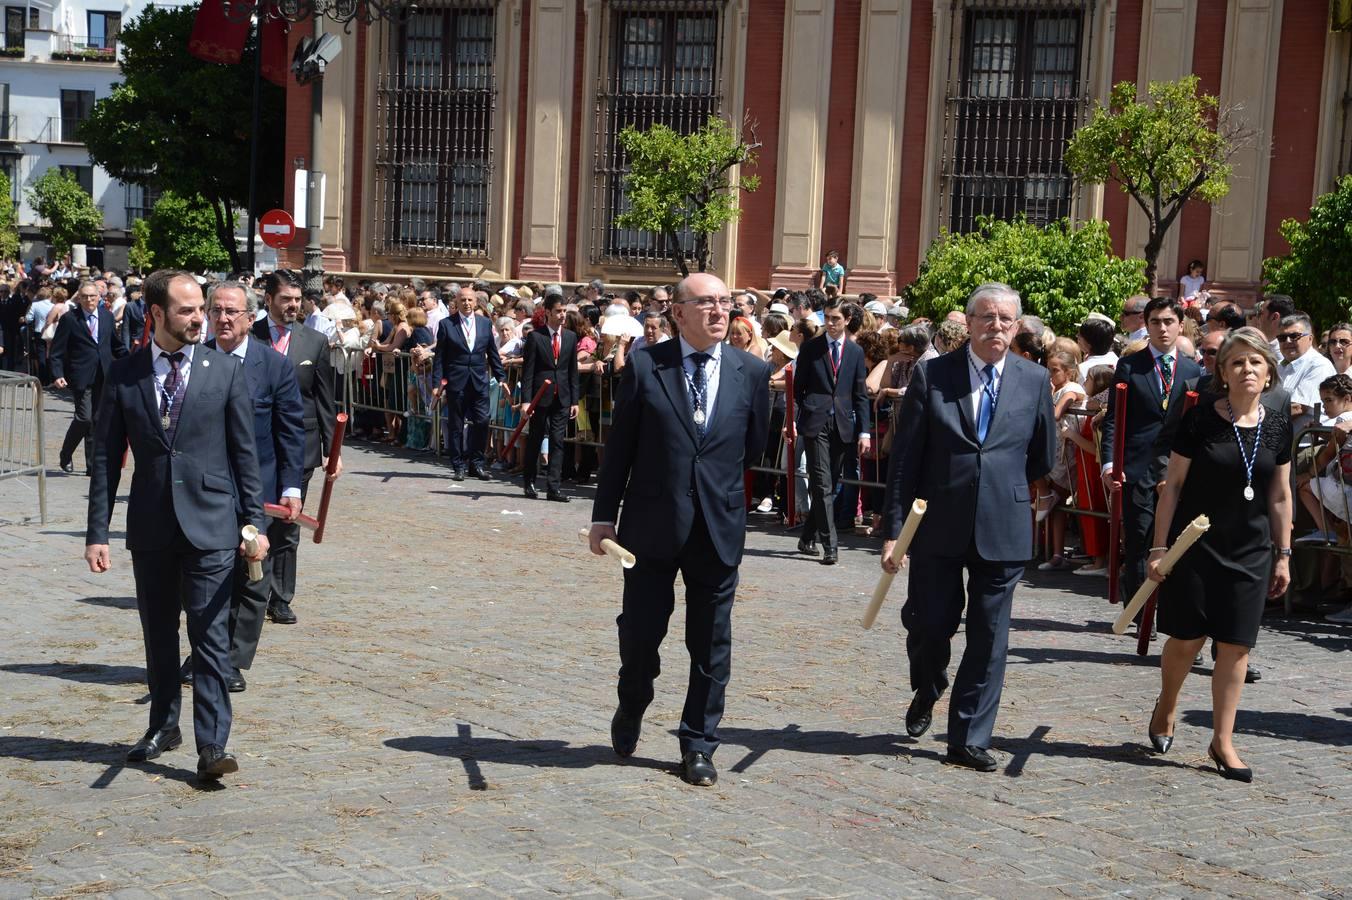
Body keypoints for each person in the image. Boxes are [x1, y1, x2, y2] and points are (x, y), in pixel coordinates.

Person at [84, 269, 269, 780]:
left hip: (212, 524)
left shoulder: (223, 370)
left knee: (209, 638)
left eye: (202, 308)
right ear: (157, 315)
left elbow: (244, 455)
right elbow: (105, 458)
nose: (201, 318)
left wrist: (255, 523)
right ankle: (163, 725)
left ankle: (213, 746)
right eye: (187, 310)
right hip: (150, 526)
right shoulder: (124, 374)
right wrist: (97, 532)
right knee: (160, 635)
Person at [589, 272, 771, 787]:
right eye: (707, 303)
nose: (719, 312)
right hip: (650, 524)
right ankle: (633, 702)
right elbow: (619, 448)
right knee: (642, 635)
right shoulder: (647, 366)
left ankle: (698, 742)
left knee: (711, 640)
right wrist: (604, 517)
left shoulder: (751, 372)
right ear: (680, 312)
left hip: (718, 526)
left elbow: (751, 449)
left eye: (725, 303)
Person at [880, 282, 1055, 772]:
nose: (995, 326)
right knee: (929, 624)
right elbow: (906, 459)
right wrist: (895, 529)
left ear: (1017, 327)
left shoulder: (1034, 379)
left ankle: (969, 735)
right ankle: (929, 683)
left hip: (1004, 524)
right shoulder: (932, 376)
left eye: (1005, 319)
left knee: (990, 634)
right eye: (986, 317)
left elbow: (1042, 454)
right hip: (937, 523)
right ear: (969, 325)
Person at [1146, 328, 1292, 782]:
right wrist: (1158, 547)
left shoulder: (1278, 426)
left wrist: (1283, 554)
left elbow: (1281, 496)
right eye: (1237, 363)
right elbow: (1172, 489)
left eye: (1255, 362)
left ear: (1268, 371)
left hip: (1250, 550)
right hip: (1195, 545)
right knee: (1187, 640)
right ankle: (1166, 705)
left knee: (1235, 646)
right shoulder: (1200, 421)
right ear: (1223, 372)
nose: (1247, 370)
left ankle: (1222, 740)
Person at [197, 281, 305, 693]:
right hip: (207, 489)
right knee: (207, 576)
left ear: (250, 316)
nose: (223, 319)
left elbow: (290, 432)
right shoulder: (195, 360)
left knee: (253, 576)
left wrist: (292, 487)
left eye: (232, 312)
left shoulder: (273, 366)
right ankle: (208, 651)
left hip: (259, 487)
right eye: (217, 311)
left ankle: (233, 661)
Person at [1100, 297, 1203, 613]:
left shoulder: (1192, 370)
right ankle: (1139, 608)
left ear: (1180, 325)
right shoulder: (1130, 366)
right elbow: (1114, 418)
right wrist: (1110, 463)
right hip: (1136, 466)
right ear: (1146, 324)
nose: (1162, 328)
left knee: (1174, 539)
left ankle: (1170, 606)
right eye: (1156, 321)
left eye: (1169, 321)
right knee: (1140, 538)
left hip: (1176, 467)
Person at [252, 270, 338, 626]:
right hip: (255, 445)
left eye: (297, 299)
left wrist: (334, 453)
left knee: (288, 523)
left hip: (299, 446)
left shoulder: (314, 341)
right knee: (254, 519)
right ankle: (252, 589)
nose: (293, 306)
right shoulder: (250, 336)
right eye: (285, 299)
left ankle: (281, 597)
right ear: (269, 299)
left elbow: (324, 400)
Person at [793, 300, 872, 565]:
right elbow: (798, 387)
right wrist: (801, 414)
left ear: (848, 319)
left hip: (842, 425)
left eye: (836, 318)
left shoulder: (855, 352)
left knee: (830, 484)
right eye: (827, 318)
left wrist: (865, 432)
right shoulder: (812, 348)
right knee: (822, 483)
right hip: (816, 423)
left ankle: (806, 537)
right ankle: (830, 545)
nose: (830, 323)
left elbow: (860, 395)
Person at [50, 279, 127, 474]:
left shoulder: (107, 316)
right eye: (84, 296)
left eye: (92, 296)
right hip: (81, 375)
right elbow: (57, 351)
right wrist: (58, 374)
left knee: (97, 420)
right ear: (79, 298)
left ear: (99, 297)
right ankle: (66, 454)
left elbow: (115, 344)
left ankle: (92, 466)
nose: (89, 300)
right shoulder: (69, 319)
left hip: (104, 373)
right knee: (84, 418)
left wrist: (134, 361)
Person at [434, 286, 505, 480]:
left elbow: (492, 352)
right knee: (456, 425)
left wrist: (501, 377)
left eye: (470, 300)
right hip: (457, 382)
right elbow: (439, 357)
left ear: (475, 302)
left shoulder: (484, 323)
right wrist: (436, 384)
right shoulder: (446, 324)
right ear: (457, 302)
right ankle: (458, 466)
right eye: (462, 300)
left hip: (479, 380)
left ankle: (477, 463)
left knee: (482, 421)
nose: (466, 303)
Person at [520, 293, 579, 501]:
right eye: (558, 311)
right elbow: (527, 372)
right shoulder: (536, 337)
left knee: (557, 441)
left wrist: (574, 400)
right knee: (535, 439)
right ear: (547, 312)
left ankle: (554, 487)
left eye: (565, 311)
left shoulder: (571, 337)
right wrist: (526, 400)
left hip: (562, 397)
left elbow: (572, 371)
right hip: (540, 396)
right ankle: (529, 482)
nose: (562, 315)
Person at [1276, 313, 1336, 432]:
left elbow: (1297, 408)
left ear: (1310, 338)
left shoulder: (1318, 365)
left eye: (1294, 336)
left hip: (1307, 445)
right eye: (1282, 338)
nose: (1287, 341)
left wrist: (1257, 422)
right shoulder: (1278, 366)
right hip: (1282, 443)